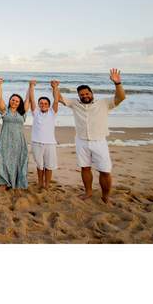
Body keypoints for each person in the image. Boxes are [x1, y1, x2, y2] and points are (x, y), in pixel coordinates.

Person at [52, 69, 126, 204]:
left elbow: (120, 98)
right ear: (78, 96)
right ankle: (88, 192)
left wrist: (117, 83)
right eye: (81, 95)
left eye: (87, 93)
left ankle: (105, 196)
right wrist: (55, 88)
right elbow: (59, 98)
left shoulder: (103, 103)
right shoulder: (75, 103)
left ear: (92, 93)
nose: (84, 96)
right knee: (85, 168)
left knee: (105, 171)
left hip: (99, 141)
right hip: (81, 141)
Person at [0, 77, 30, 191]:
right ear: (10, 101)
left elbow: (28, 99)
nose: (14, 102)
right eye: (12, 100)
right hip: (6, 139)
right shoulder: (5, 110)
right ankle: (4, 182)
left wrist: (31, 86)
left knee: (18, 160)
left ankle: (17, 181)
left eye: (17, 101)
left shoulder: (22, 112)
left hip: (19, 140)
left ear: (19, 103)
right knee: (4, 160)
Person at [27, 79, 58, 190]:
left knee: (49, 166)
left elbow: (56, 100)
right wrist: (31, 86)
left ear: (49, 105)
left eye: (45, 103)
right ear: (39, 105)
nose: (43, 105)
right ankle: (40, 183)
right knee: (40, 165)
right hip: (36, 143)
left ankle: (47, 184)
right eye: (41, 103)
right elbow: (32, 99)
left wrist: (55, 87)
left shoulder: (52, 113)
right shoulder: (36, 113)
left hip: (50, 144)